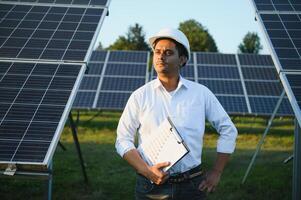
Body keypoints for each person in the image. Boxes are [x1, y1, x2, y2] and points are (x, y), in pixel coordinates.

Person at [115, 28, 238, 200]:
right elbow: (122, 139)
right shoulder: (140, 96)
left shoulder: (201, 94)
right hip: (150, 185)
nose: (160, 56)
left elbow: (229, 130)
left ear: (182, 59)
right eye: (157, 52)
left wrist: (217, 171)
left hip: (192, 185)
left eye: (168, 52)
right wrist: (146, 170)